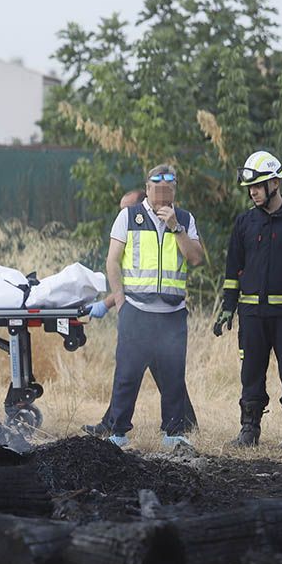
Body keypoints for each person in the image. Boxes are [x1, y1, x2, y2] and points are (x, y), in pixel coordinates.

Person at [85, 163, 205, 448]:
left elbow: (196, 258)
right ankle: (118, 433)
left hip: (172, 313)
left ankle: (173, 433)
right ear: (147, 188)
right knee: (127, 375)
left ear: (175, 190)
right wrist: (121, 301)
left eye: (170, 188)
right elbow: (113, 261)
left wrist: (176, 228)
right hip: (136, 310)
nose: (163, 193)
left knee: (174, 376)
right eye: (157, 188)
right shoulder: (128, 217)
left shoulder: (185, 219)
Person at [215, 151, 282, 451]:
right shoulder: (244, 222)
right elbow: (233, 269)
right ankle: (249, 430)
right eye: (250, 187)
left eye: (258, 186)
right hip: (252, 315)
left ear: (274, 182)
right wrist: (227, 308)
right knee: (251, 373)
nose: (253, 192)